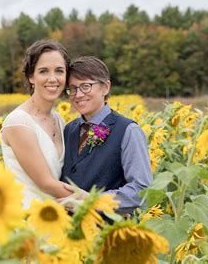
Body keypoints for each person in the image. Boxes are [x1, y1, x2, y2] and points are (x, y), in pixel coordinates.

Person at [60, 56, 153, 214]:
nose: (78, 94)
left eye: (86, 86)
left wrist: (94, 201)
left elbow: (141, 190)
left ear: (106, 87)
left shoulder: (128, 131)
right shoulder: (69, 129)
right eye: (72, 89)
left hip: (108, 231)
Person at [0, 40, 73, 208]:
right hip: (27, 221)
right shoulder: (19, 122)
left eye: (59, 71)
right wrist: (96, 203)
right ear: (31, 77)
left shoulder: (58, 119)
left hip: (54, 219)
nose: (53, 79)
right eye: (43, 71)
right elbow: (46, 183)